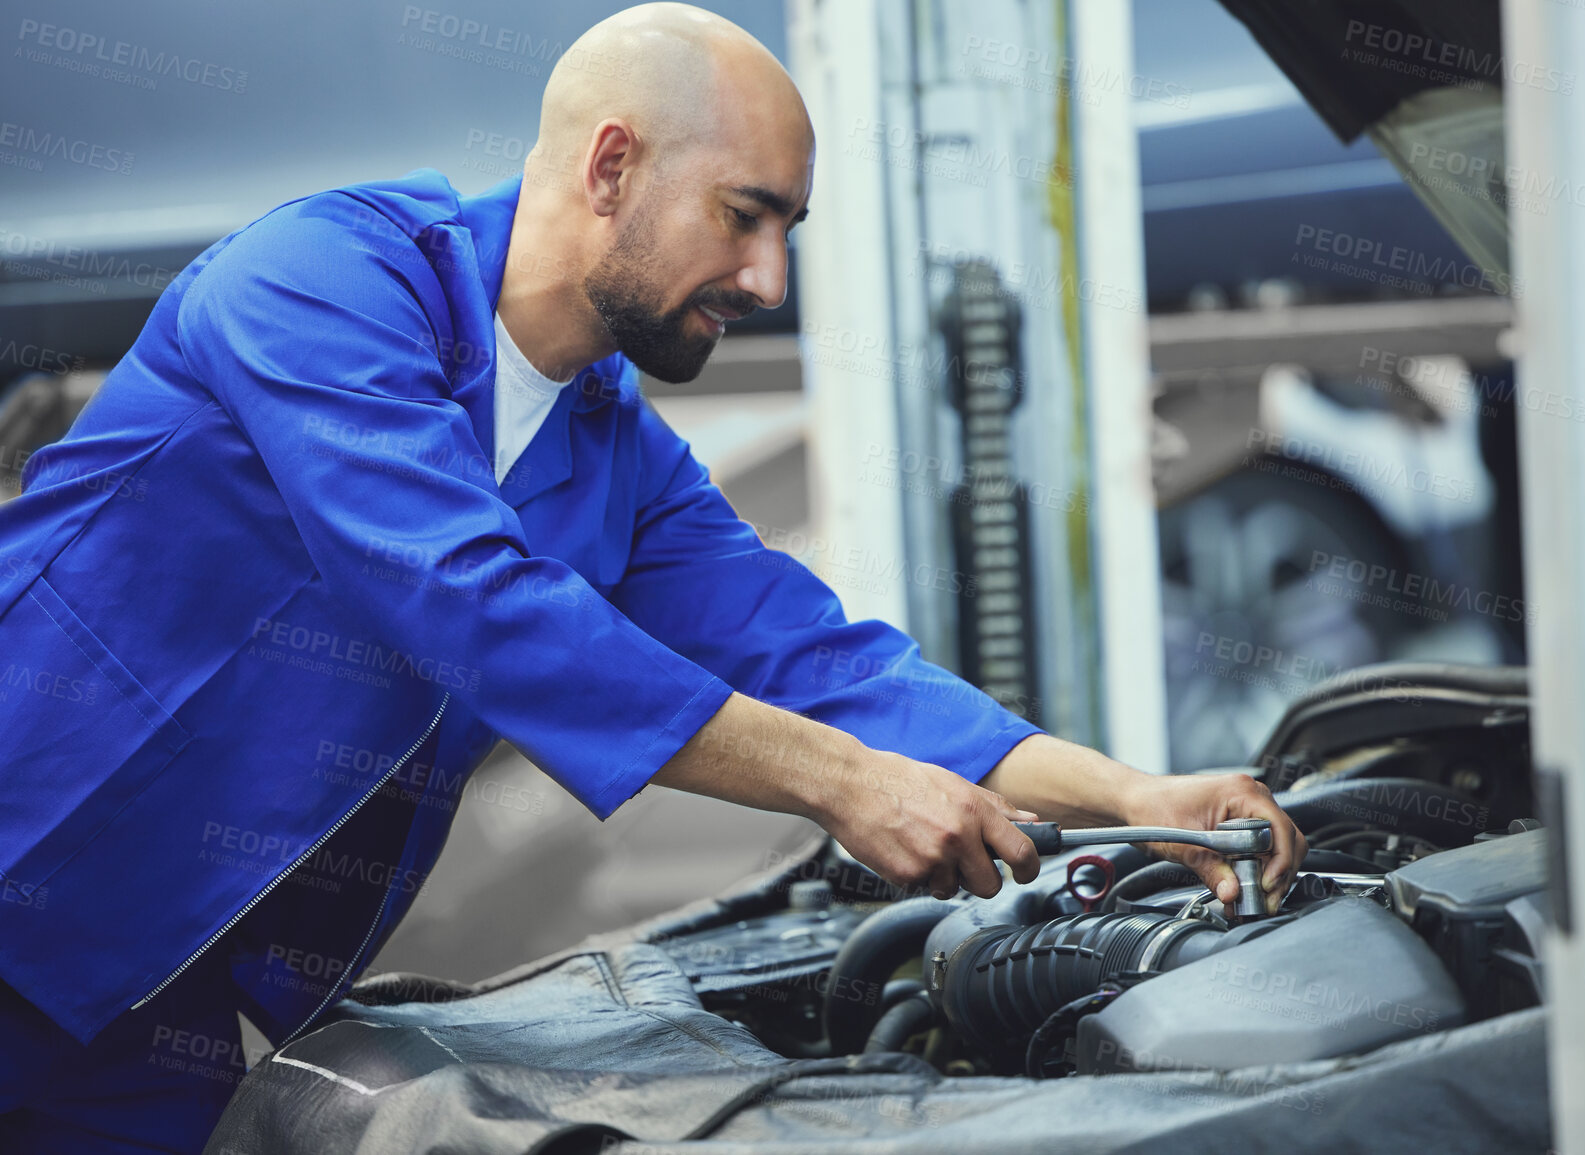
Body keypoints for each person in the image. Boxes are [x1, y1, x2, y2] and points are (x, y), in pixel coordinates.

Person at [0, 4, 1303, 1149]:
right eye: (747, 217)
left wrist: (1136, 793)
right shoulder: (325, 282)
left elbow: (820, 660)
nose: (767, 278)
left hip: (152, 997)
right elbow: (468, 599)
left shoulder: (610, 449)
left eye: (786, 231)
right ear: (614, 163)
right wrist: (843, 787)